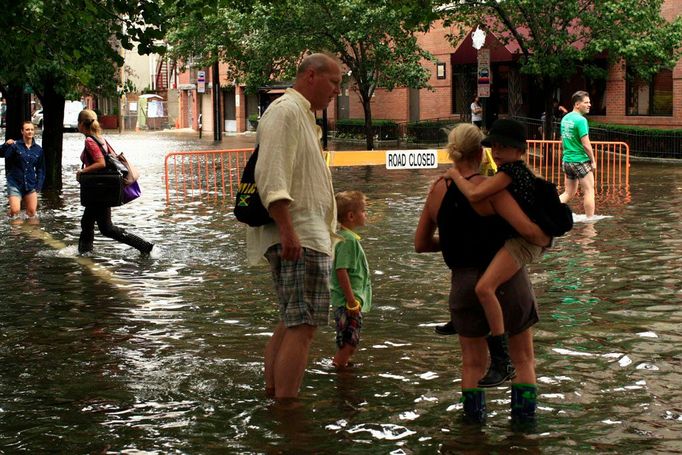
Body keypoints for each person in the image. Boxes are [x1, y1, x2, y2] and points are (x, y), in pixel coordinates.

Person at [415, 123, 546, 424]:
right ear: (481, 151)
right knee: (522, 359)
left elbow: (421, 244)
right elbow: (527, 230)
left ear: (453, 152)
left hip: (462, 284)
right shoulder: (494, 190)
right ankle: (524, 430)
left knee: (472, 364)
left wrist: (453, 242)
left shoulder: (437, 189)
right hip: (507, 282)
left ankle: (473, 430)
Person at [247, 53, 342, 399]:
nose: (337, 92)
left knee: (292, 321)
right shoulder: (287, 112)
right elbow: (271, 175)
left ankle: (275, 397)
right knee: (303, 325)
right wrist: (288, 230)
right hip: (300, 233)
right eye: (334, 83)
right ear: (311, 76)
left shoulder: (297, 114)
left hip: (303, 232)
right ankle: (287, 409)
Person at [76, 109, 153, 255]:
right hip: (101, 189)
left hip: (99, 188)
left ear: (81, 124)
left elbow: (101, 163)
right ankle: (85, 252)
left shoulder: (89, 140)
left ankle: (143, 246)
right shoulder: (100, 139)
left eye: (77, 122)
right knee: (100, 226)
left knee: (102, 227)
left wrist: (82, 171)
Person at [330, 191, 372, 368]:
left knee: (349, 341)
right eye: (363, 211)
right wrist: (352, 301)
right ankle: (339, 369)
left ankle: (342, 366)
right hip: (348, 304)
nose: (366, 214)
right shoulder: (348, 241)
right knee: (349, 342)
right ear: (351, 216)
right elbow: (341, 271)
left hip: (347, 302)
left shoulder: (345, 238)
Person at [559, 90, 596, 218]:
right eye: (586, 102)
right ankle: (590, 222)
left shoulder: (565, 118)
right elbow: (586, 144)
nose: (589, 105)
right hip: (580, 160)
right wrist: (593, 160)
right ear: (577, 104)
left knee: (568, 193)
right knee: (589, 191)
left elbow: (563, 140)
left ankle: (548, 210)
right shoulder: (581, 120)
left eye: (589, 102)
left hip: (567, 160)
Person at [1, 121, 44, 221]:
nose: (30, 132)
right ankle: (16, 234)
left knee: (32, 213)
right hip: (14, 183)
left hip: (30, 184)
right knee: (16, 211)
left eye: (32, 129)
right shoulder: (15, 146)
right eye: (27, 129)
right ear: (22, 131)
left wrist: (38, 186)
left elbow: (40, 169)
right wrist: (5, 145)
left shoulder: (38, 150)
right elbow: (3, 154)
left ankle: (31, 235)